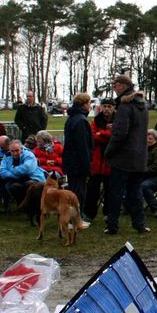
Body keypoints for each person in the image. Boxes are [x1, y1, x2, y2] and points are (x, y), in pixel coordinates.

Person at [103, 74, 150, 235]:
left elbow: (120, 134)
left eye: (115, 85)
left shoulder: (125, 106)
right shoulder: (142, 106)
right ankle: (140, 224)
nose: (114, 88)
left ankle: (112, 225)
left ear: (123, 86)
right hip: (139, 157)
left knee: (115, 192)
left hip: (123, 158)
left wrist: (109, 152)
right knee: (135, 192)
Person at [62, 92, 94, 222]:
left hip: (70, 161)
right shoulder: (81, 121)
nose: (90, 106)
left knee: (74, 189)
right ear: (84, 104)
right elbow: (83, 146)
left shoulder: (71, 119)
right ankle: (76, 217)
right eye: (89, 103)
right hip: (78, 163)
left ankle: (75, 216)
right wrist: (87, 166)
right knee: (79, 191)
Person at [0, 139, 47, 207]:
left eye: (17, 150)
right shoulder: (6, 156)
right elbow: (2, 172)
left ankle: (32, 206)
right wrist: (16, 175)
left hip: (34, 178)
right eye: (12, 151)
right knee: (12, 187)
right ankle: (21, 205)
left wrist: (12, 170)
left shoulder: (29, 155)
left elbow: (28, 169)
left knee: (29, 184)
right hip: (17, 179)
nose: (15, 153)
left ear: (21, 148)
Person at [89, 98, 114, 220]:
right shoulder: (96, 121)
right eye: (105, 106)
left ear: (113, 108)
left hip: (111, 162)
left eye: (109, 106)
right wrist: (108, 132)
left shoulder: (118, 121)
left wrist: (101, 134)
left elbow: (118, 138)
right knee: (93, 189)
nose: (107, 109)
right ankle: (89, 213)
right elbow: (93, 137)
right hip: (97, 161)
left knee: (110, 190)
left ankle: (109, 212)